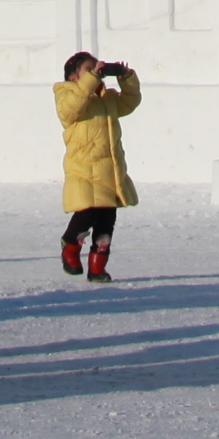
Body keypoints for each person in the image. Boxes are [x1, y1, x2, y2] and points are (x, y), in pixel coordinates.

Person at [55, 51, 140, 284]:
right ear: (74, 78)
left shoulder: (108, 99)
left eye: (99, 69)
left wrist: (126, 77)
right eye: (89, 69)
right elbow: (71, 109)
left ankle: (97, 267)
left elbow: (131, 101)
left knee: (106, 224)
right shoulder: (67, 96)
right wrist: (90, 80)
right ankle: (70, 245)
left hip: (109, 170)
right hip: (83, 170)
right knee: (87, 213)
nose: (97, 73)